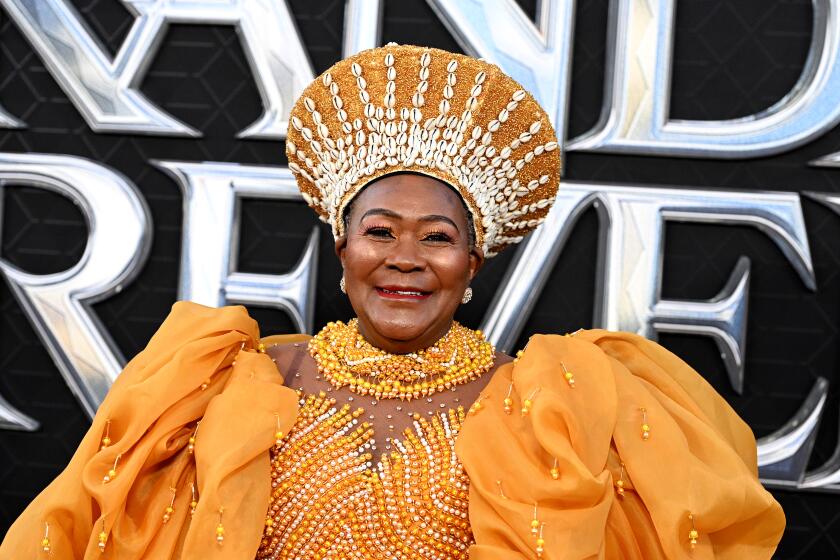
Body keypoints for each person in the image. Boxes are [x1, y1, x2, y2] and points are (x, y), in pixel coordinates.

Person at [1, 44, 784, 559]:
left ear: (472, 260)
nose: (405, 258)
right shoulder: (226, 381)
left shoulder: (553, 401)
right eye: (380, 230)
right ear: (341, 246)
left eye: (437, 237)